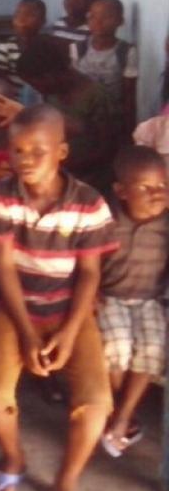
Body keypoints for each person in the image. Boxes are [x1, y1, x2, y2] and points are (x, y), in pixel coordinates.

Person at [0, 105, 116, 491]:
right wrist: (25, 333)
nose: (25, 160)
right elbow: (3, 268)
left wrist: (69, 334)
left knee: (95, 406)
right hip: (12, 309)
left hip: (69, 310)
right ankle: (14, 460)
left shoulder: (88, 203)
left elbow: (89, 274)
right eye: (17, 150)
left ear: (62, 152)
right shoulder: (0, 198)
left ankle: (65, 483)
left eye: (38, 151)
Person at [96, 146, 168, 458]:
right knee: (117, 349)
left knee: (152, 352)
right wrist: (91, 293)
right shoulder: (107, 220)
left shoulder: (166, 223)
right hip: (111, 296)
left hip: (150, 300)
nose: (157, 194)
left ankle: (123, 416)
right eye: (145, 188)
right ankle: (118, 411)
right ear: (121, 192)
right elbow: (89, 261)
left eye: (163, 185)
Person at [15, 35, 115, 193]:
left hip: (91, 179)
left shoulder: (95, 95)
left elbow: (106, 147)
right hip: (57, 173)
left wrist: (65, 165)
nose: (36, 89)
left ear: (51, 76)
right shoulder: (52, 93)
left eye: (35, 83)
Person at [70, 0, 138, 141]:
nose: (98, 22)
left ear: (120, 21)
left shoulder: (126, 51)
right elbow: (72, 87)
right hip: (83, 117)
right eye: (93, 17)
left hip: (112, 119)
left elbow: (129, 95)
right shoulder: (78, 49)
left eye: (106, 17)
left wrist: (130, 132)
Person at [0, 0, 46, 97]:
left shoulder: (46, 47)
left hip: (40, 97)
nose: (22, 19)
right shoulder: (6, 47)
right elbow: (1, 77)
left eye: (30, 15)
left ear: (43, 21)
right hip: (12, 96)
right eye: (17, 14)